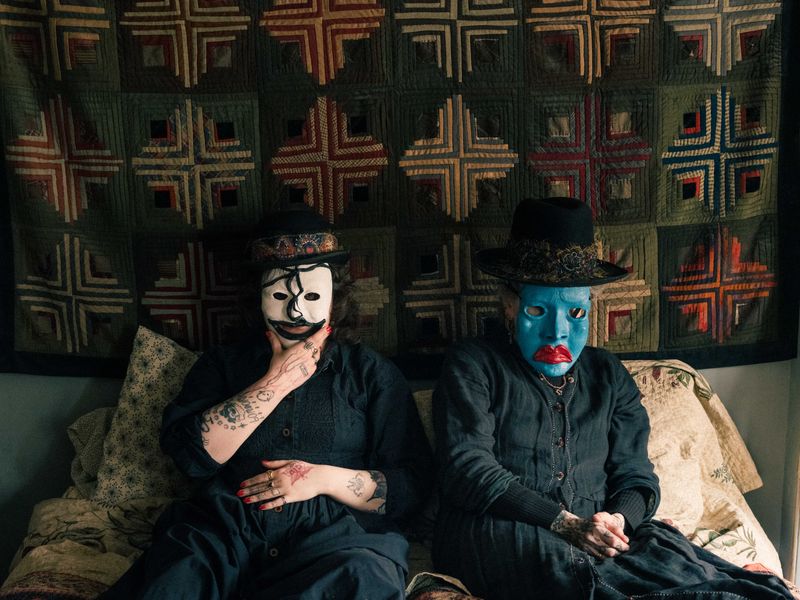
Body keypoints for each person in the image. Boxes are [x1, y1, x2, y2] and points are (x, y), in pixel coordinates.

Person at [431, 197, 795, 599]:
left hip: (598, 531)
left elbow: (637, 477)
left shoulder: (609, 375)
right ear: (509, 305)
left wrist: (619, 519)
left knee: (689, 567)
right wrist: (564, 523)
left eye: (574, 315)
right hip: (501, 530)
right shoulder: (473, 363)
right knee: (578, 575)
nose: (557, 333)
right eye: (537, 310)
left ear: (590, 309)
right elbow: (467, 468)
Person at [101, 210, 433, 599]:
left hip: (336, 540)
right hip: (225, 532)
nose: (296, 311)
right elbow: (191, 458)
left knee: (359, 579)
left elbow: (410, 487)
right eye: (280, 295)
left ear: (333, 300)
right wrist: (275, 383)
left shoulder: (370, 374)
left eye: (311, 296)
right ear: (257, 297)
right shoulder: (222, 365)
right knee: (173, 580)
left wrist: (322, 479)